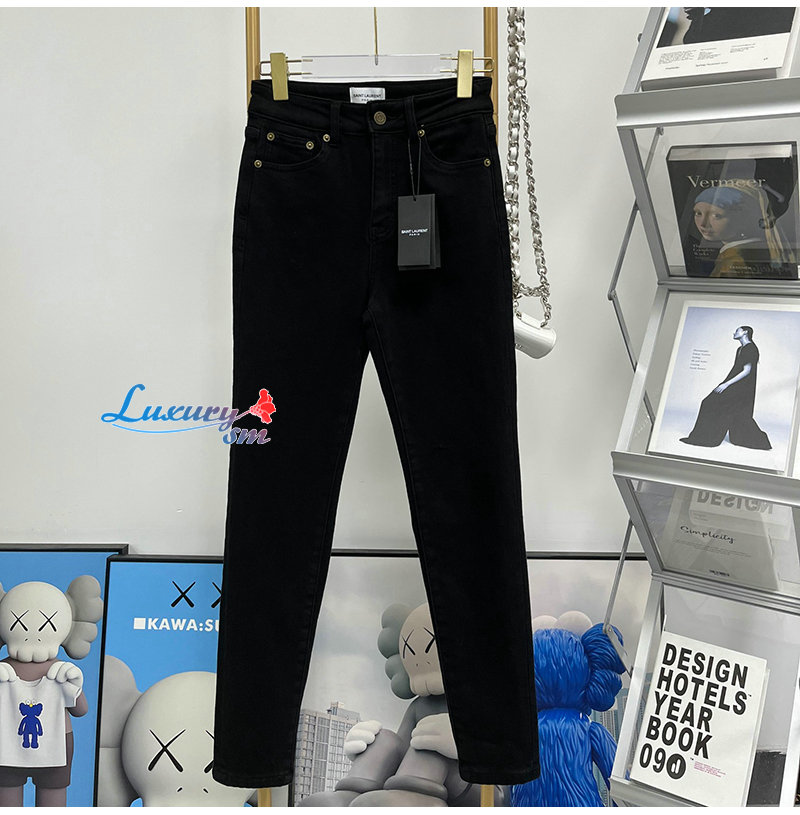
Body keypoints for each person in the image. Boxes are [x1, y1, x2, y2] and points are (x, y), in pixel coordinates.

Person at [680, 325, 771, 450]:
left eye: (737, 330)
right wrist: (724, 382)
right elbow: (736, 369)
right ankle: (706, 435)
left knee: (709, 403)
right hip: (735, 384)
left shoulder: (750, 348)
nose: (734, 333)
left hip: (741, 387)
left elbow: (746, 371)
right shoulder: (740, 349)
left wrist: (727, 384)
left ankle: (707, 437)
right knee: (714, 405)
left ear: (745, 332)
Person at [692, 186, 795, 279]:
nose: (703, 224)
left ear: (743, 219)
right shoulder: (759, 248)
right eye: (698, 213)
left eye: (717, 215)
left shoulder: (733, 259)